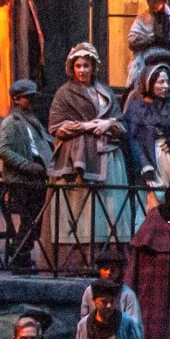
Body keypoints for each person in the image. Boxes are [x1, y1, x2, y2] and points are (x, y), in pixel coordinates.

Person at [47, 43, 137, 268]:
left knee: (108, 207)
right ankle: (77, 261)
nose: (82, 70)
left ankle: (109, 260)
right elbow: (56, 126)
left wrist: (108, 123)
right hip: (76, 158)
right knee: (80, 208)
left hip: (107, 156)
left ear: (93, 67)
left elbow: (121, 123)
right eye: (78, 66)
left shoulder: (105, 92)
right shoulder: (64, 94)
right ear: (72, 67)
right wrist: (86, 126)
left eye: (86, 66)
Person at [120, 57, 170, 198]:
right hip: (152, 160)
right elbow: (133, 140)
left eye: (167, 81)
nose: (166, 86)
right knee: (157, 201)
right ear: (149, 83)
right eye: (161, 82)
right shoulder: (137, 108)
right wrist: (145, 166)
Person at [0, 79, 50, 269]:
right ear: (17, 99)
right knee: (29, 220)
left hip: (36, 177)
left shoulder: (33, 121)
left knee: (35, 219)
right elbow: (3, 150)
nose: (31, 102)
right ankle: (20, 256)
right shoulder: (11, 122)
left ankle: (21, 253)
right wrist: (27, 165)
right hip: (21, 179)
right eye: (28, 98)